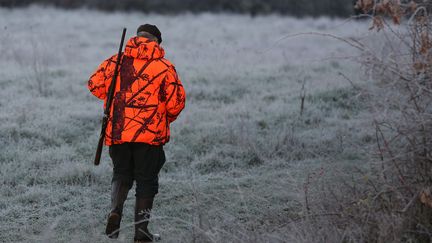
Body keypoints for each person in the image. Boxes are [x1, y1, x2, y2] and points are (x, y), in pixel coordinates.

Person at [87, 24, 186, 242]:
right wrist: (164, 117)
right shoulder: (165, 67)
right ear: (157, 42)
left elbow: (94, 84)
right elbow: (177, 103)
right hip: (150, 136)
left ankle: (115, 212)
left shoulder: (116, 61)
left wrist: (113, 98)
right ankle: (141, 233)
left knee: (121, 173)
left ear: (137, 38)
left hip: (118, 131)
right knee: (146, 181)